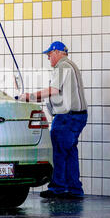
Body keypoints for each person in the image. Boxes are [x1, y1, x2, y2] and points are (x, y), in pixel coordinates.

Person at [18, 41, 88, 199]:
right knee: (70, 152)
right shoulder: (72, 66)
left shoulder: (62, 66)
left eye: (50, 55)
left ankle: (58, 188)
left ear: (57, 52)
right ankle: (74, 190)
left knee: (58, 152)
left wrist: (30, 97)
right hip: (78, 116)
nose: (49, 58)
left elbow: (54, 90)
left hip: (66, 117)